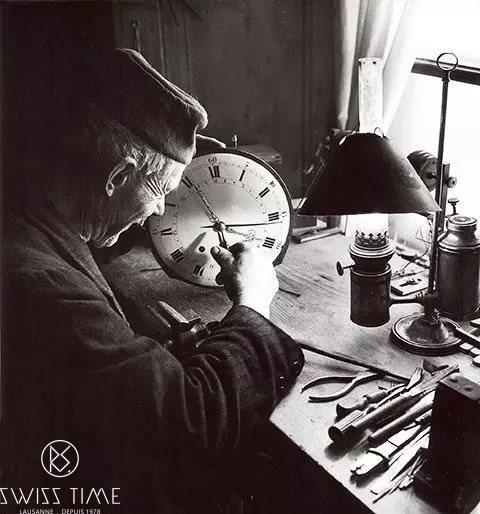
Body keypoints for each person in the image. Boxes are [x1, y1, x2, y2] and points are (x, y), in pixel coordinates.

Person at [1, 49, 304, 513]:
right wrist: (254, 303)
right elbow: (192, 424)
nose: (160, 210)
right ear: (118, 176)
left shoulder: (29, 219)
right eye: (161, 190)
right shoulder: (43, 287)